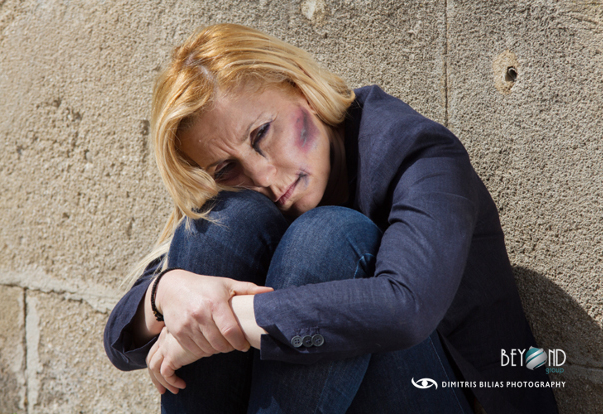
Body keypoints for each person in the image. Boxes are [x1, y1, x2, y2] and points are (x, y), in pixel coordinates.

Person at [104, 23, 559, 414]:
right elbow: (119, 341)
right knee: (220, 223)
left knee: (328, 237)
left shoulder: (414, 150)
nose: (264, 176)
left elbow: (406, 309)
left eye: (262, 134)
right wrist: (168, 293)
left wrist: (229, 317)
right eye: (226, 168)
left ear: (301, 88)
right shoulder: (246, 194)